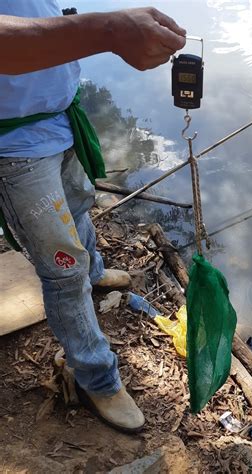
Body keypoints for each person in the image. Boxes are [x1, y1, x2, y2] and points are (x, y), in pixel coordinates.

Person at [0, 1, 186, 433]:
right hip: (15, 148)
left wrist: (69, 25)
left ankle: (96, 272)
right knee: (63, 269)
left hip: (59, 123)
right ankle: (96, 378)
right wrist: (107, 30)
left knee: (80, 205)